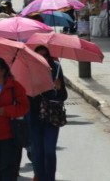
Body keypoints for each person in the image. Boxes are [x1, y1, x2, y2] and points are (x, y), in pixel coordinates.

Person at [30, 46, 68, 181]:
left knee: (49, 151)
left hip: (51, 117)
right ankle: (40, 177)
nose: (43, 59)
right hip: (34, 117)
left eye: (45, 56)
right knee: (37, 152)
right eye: (39, 56)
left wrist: (58, 88)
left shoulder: (56, 68)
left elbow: (63, 96)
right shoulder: (30, 69)